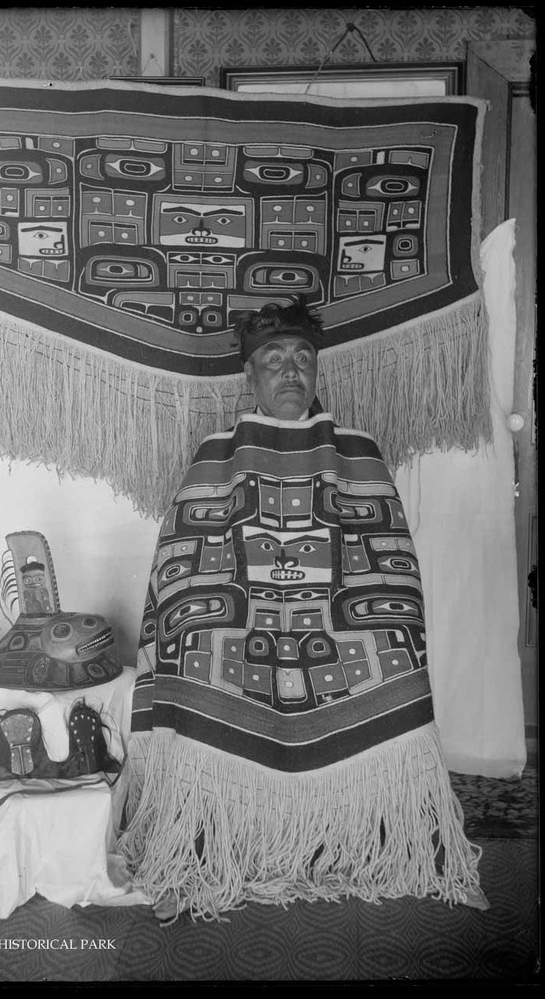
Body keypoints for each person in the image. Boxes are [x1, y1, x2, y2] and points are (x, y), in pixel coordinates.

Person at [117, 299, 485, 922]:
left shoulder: (357, 450)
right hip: (243, 621)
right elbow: (179, 561)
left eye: (302, 358)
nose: (291, 371)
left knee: (394, 636)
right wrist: (205, 609)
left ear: (316, 371)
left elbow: (390, 556)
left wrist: (349, 604)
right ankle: (192, 855)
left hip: (335, 620)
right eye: (274, 359)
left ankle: (418, 852)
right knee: (192, 631)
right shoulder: (215, 453)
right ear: (249, 375)